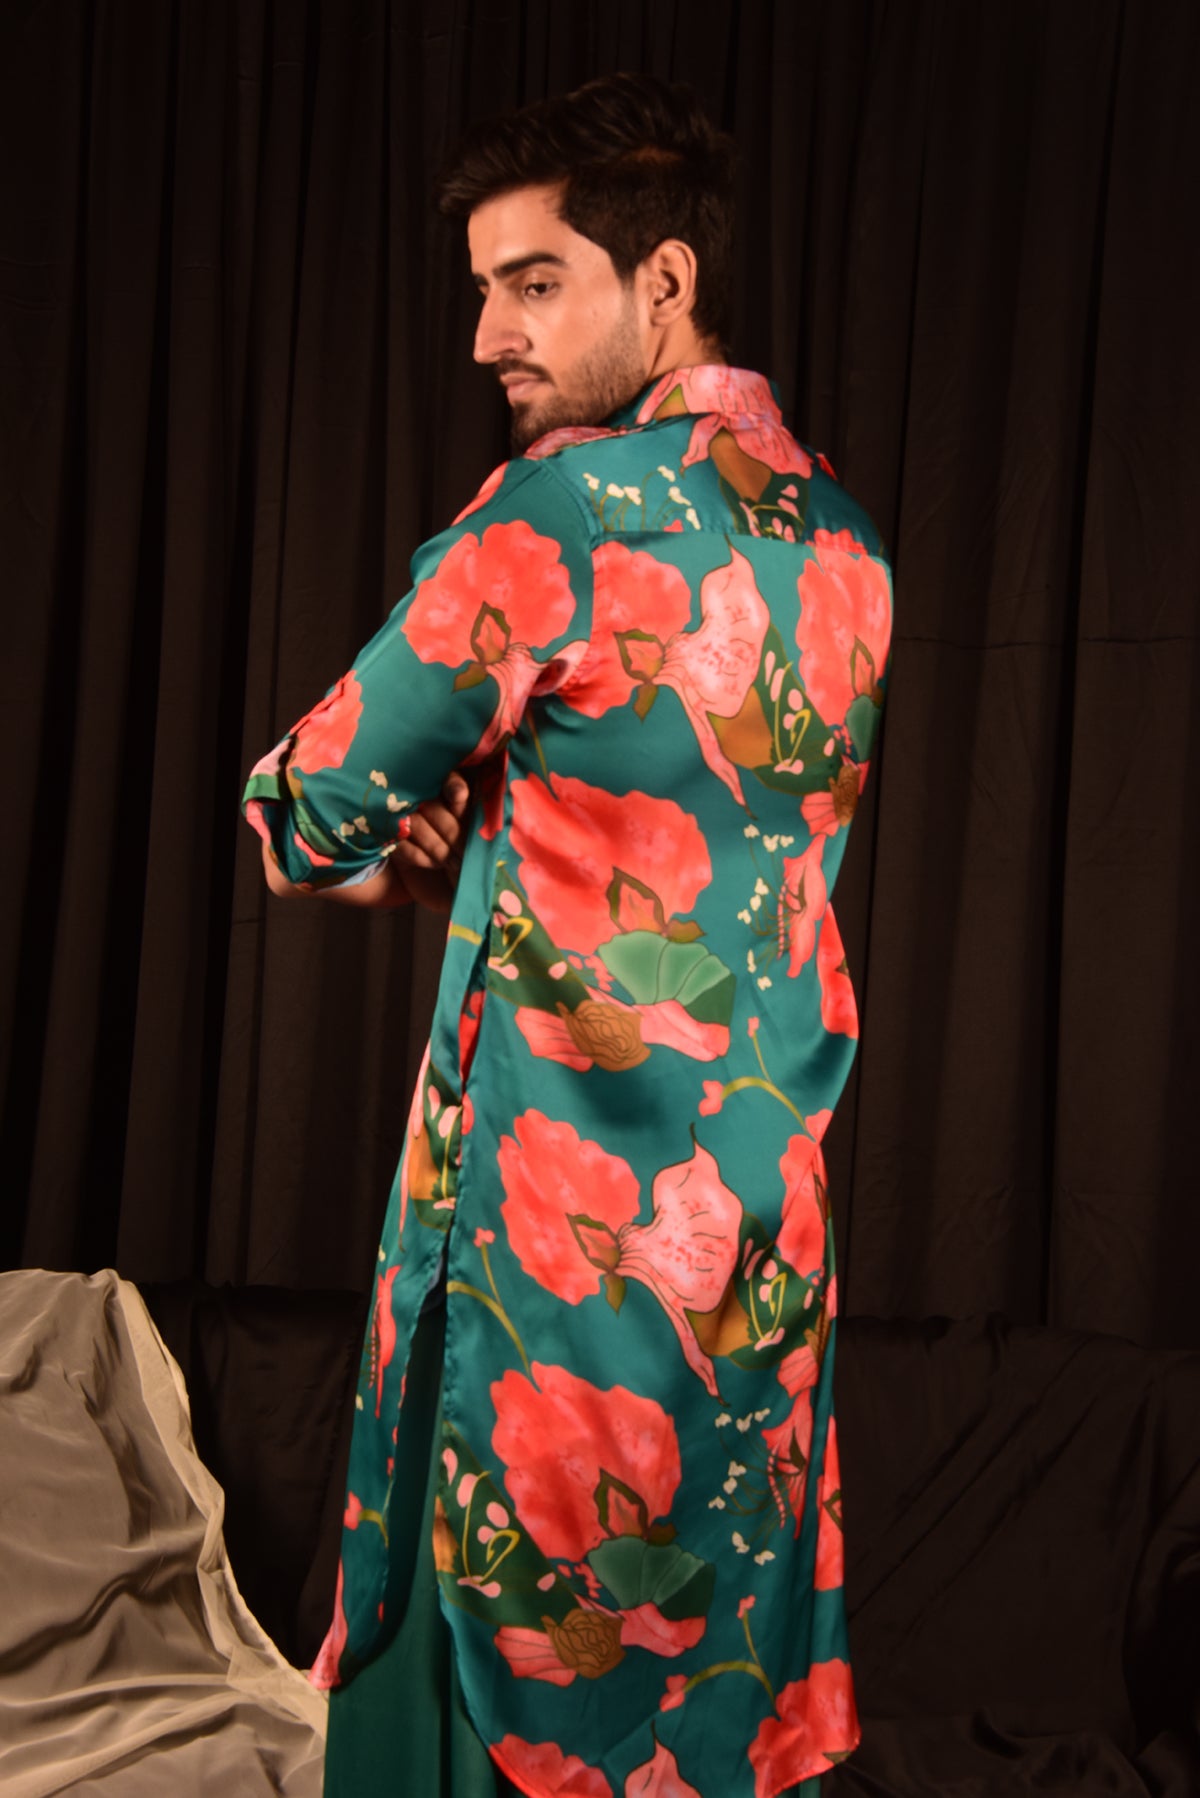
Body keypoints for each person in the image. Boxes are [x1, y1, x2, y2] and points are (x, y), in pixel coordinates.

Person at [244, 71, 893, 1798]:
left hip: (559, 1236)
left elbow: (305, 811)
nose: (487, 336)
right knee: (712, 1642)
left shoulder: (556, 517)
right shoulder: (847, 546)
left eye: (533, 283)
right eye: (483, 287)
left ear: (664, 282)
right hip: (757, 1226)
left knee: (516, 1628)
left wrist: (404, 858)